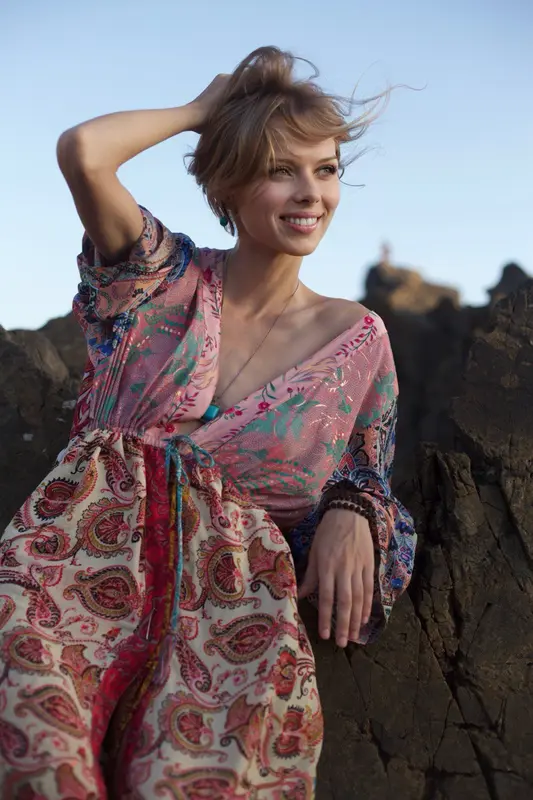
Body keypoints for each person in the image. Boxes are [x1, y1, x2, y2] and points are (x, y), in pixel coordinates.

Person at [0, 46, 415, 799]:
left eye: (324, 170)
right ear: (227, 181)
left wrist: (353, 508)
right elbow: (85, 152)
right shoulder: (156, 276)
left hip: (232, 600)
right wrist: (204, 110)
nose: (308, 193)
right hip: (72, 559)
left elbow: (366, 463)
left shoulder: (358, 339)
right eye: (279, 168)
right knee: (35, 749)